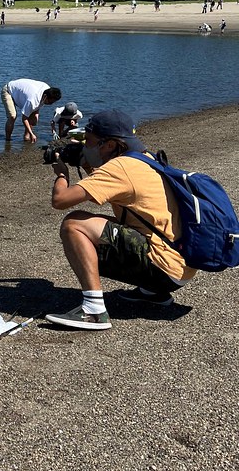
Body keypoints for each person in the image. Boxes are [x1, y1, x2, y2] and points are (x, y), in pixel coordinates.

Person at [45, 110, 196, 330]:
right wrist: (87, 164)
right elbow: (116, 188)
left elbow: (60, 200)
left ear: (110, 144)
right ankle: (153, 293)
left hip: (162, 269)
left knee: (74, 224)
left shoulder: (119, 168)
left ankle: (94, 312)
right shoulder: (146, 158)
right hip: (180, 266)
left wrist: (61, 174)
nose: (87, 145)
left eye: (91, 141)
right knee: (131, 224)